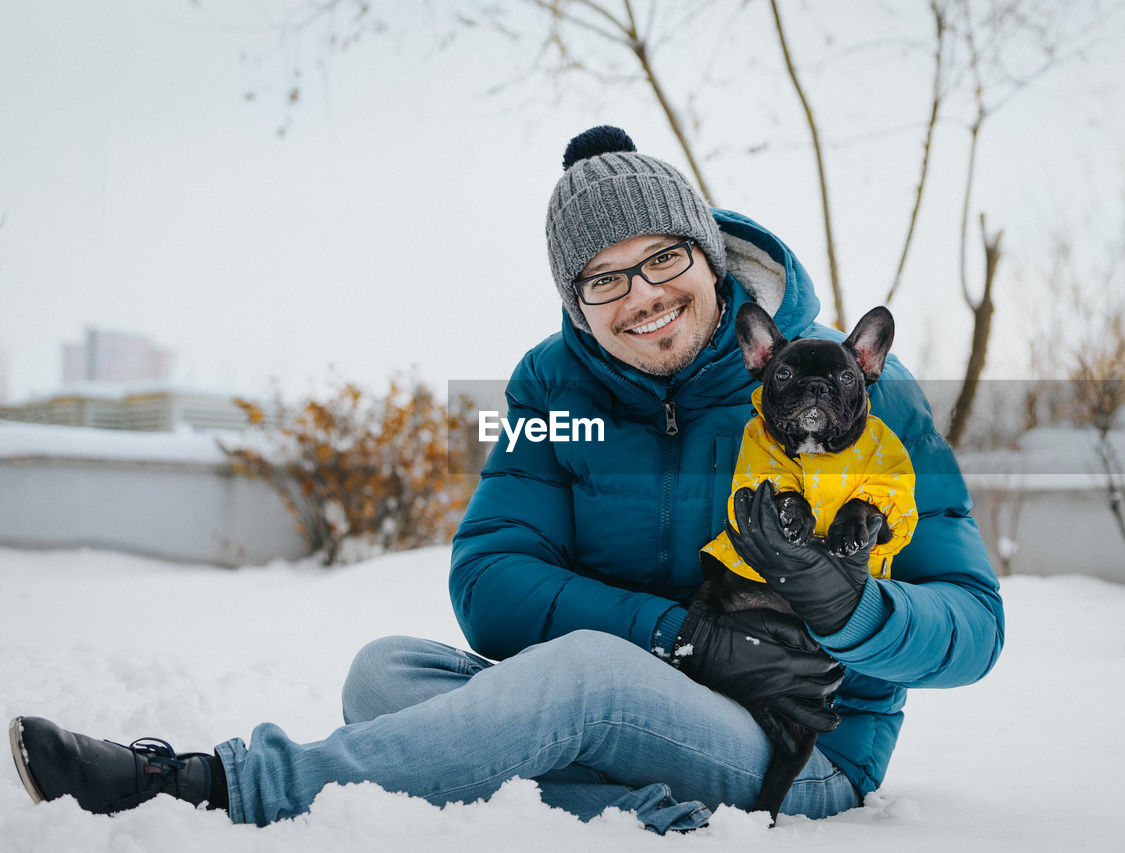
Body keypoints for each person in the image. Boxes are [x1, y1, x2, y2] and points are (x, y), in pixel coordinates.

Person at [9, 126, 1004, 833]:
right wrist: (676, 634)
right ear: (574, 302)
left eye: (662, 259)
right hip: (640, 693)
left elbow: (972, 628)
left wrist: (849, 607)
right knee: (384, 673)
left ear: (709, 256)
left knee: (581, 677)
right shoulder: (551, 384)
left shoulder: (839, 386)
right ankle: (643, 816)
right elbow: (489, 585)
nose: (642, 298)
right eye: (603, 279)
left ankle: (209, 783)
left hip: (803, 746)